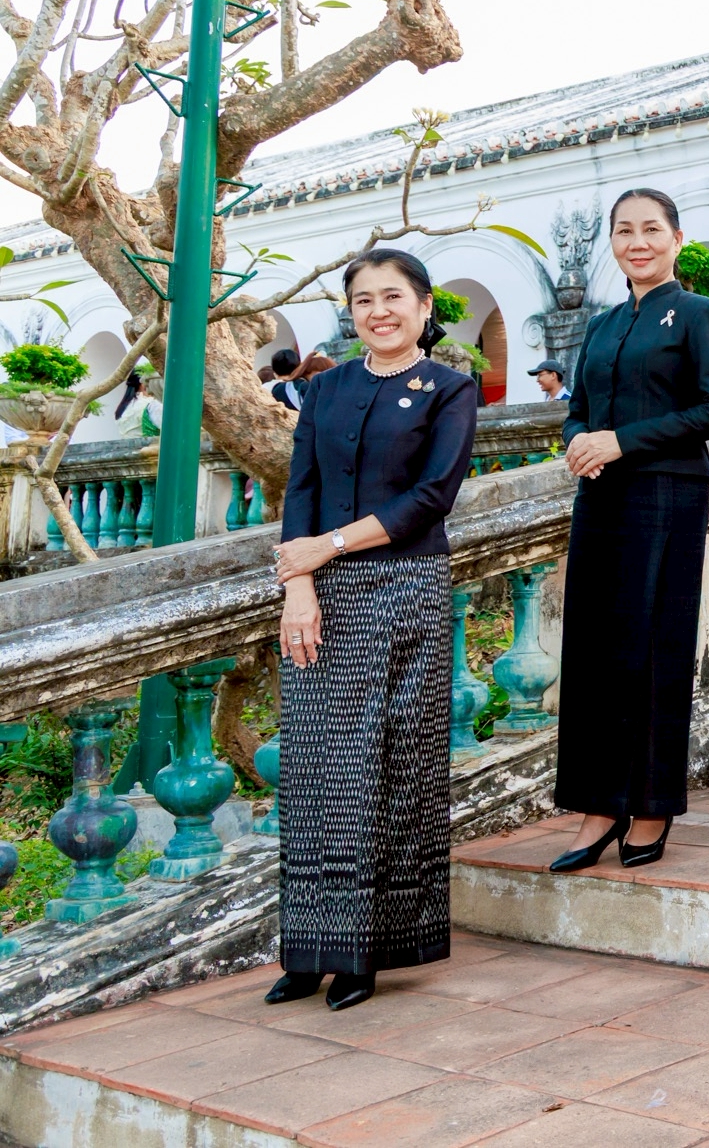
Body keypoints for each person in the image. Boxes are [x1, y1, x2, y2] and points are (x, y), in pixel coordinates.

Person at [267, 249, 479, 1012]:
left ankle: (368, 949)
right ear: (350, 311)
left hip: (403, 586)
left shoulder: (449, 390)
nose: (379, 310)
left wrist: (329, 547)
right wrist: (299, 582)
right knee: (316, 771)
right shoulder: (324, 390)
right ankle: (308, 948)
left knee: (385, 764)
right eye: (363, 299)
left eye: (394, 296)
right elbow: (302, 492)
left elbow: (432, 496)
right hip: (318, 598)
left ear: (426, 307)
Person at [549, 189, 709, 873]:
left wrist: (621, 441)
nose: (638, 241)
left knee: (654, 649)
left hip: (666, 496)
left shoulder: (698, 314)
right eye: (624, 230)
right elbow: (577, 408)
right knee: (596, 653)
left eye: (651, 229)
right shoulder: (602, 326)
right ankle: (598, 804)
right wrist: (579, 439)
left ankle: (652, 802)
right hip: (599, 498)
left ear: (677, 238)